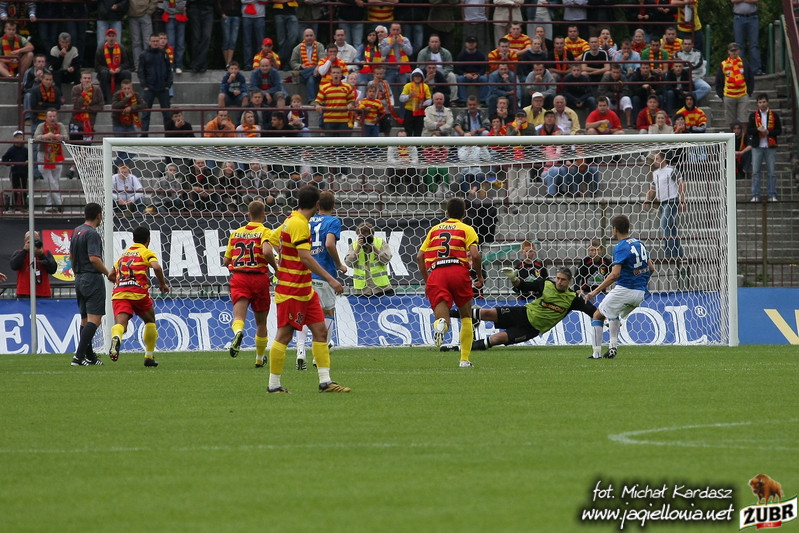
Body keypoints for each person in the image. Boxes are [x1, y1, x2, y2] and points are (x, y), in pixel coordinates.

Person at [265, 185, 350, 393]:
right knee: (284, 335)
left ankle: (325, 382)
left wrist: (280, 263)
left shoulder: (290, 221)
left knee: (320, 331)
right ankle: (273, 385)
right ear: (317, 204)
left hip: (306, 289)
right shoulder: (298, 223)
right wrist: (331, 279)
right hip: (292, 290)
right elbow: (305, 257)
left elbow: (268, 243)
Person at [442, 267, 596, 352]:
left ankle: (459, 348)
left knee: (496, 339)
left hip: (532, 329)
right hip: (523, 313)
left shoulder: (573, 299)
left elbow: (593, 312)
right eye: (558, 278)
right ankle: (449, 313)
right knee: (488, 313)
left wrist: (605, 320)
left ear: (569, 281)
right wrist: (513, 278)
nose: (559, 282)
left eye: (563, 280)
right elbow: (523, 286)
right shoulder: (545, 284)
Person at [417, 197, 484, 366]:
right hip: (457, 271)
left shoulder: (434, 230)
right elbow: (475, 255)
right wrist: (479, 276)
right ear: (464, 213)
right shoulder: (467, 229)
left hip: (437, 273)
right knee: (466, 317)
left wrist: (427, 281)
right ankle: (464, 360)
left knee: (442, 318)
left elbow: (420, 256)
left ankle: (440, 325)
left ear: (446, 213)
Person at [585, 214, 654, 359]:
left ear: (614, 229)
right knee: (613, 314)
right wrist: (641, 282)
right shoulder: (640, 244)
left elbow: (615, 275)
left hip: (625, 289)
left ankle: (596, 354)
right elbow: (651, 268)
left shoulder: (620, 247)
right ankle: (613, 347)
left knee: (597, 315)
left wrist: (594, 292)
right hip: (640, 293)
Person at [293, 191, 347, 369]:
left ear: (317, 205)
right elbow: (329, 243)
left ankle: (300, 350)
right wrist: (339, 264)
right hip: (324, 273)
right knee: (328, 312)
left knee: (303, 313)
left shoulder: (306, 220)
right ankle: (319, 356)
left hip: (305, 273)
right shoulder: (333, 221)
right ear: (333, 205)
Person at [224, 200, 278, 367]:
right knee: (261, 322)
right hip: (259, 278)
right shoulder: (265, 231)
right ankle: (259, 359)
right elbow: (267, 251)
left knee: (239, 316)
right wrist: (276, 269)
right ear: (264, 215)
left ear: (248, 214)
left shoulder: (236, 234)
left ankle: (239, 332)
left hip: (240, 277)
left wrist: (235, 265)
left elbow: (226, 260)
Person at [107, 225, 170, 367]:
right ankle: (149, 357)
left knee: (121, 325)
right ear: (148, 240)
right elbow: (156, 267)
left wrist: (121, 281)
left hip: (120, 293)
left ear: (133, 239)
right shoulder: (146, 252)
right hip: (138, 293)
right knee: (150, 320)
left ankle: (116, 337)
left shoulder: (124, 255)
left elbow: (111, 275)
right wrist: (162, 284)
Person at [70, 203, 113, 366]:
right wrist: (108, 273)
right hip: (92, 278)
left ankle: (90, 357)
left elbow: (71, 257)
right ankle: (78, 357)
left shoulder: (77, 231)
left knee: (85, 319)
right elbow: (94, 258)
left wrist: (77, 273)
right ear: (99, 216)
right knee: (95, 320)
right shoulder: (92, 233)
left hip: (79, 278)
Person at [644, 151, 686, 259]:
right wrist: (647, 200)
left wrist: (682, 200)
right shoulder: (655, 173)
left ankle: (669, 255)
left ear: (663, 159)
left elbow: (680, 183)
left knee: (664, 226)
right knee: (672, 229)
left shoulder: (671, 170)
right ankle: (679, 254)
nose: (655, 161)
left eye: (657, 159)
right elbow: (652, 189)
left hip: (671, 201)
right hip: (662, 202)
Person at [747, 93, 782, 202]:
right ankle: (755, 195)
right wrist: (757, 130)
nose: (762, 104)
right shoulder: (753, 116)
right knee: (755, 172)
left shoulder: (774, 115)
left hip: (770, 146)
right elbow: (749, 130)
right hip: (757, 146)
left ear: (768, 102)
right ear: (757, 104)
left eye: (764, 102)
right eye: (760, 102)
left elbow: (779, 131)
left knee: (771, 172)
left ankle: (772, 194)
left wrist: (768, 132)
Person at [345, 221, 394, 296]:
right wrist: (358, 247)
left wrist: (373, 247)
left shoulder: (380, 242)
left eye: (367, 236)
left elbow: (386, 259)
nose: (365, 239)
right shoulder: (354, 245)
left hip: (382, 288)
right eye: (362, 236)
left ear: (372, 234)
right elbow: (349, 263)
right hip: (363, 290)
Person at [33, 109, 67, 214]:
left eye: (54, 116)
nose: (52, 118)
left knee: (55, 180)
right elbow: (35, 137)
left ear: (56, 117)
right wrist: (44, 136)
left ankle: (49, 207)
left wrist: (61, 137)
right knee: (50, 181)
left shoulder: (60, 126)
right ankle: (59, 202)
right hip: (44, 154)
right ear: (46, 118)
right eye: (50, 116)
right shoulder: (41, 126)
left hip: (57, 154)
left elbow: (66, 137)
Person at [138, 33, 173, 135]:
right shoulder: (143, 55)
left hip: (163, 88)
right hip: (149, 88)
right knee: (145, 114)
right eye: (153, 41)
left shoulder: (164, 54)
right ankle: (144, 137)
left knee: (167, 115)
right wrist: (144, 86)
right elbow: (140, 71)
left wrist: (168, 85)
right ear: (149, 42)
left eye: (157, 41)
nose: (155, 43)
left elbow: (169, 70)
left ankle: (169, 137)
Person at [715, 42, 754, 129]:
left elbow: (750, 77)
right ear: (728, 52)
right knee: (730, 121)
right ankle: (732, 137)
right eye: (732, 51)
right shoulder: (723, 64)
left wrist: (749, 92)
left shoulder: (744, 62)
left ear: (739, 51)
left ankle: (743, 137)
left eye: (735, 50)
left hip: (742, 94)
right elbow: (718, 81)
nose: (734, 52)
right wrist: (721, 95)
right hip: (729, 95)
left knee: (744, 119)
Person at [10, 231, 57, 298]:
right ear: (25, 240)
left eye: (36, 239)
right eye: (30, 238)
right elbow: (14, 266)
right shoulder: (19, 253)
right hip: (24, 292)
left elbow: (53, 269)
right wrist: (25, 251)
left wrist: (42, 255)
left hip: (43, 292)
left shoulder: (45, 252)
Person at [416, 33, 458, 105]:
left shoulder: (446, 52)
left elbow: (449, 66)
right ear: (429, 43)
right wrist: (429, 72)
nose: (434, 44)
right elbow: (420, 66)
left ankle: (452, 100)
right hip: (428, 73)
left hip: (443, 73)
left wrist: (440, 74)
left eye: (436, 42)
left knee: (452, 76)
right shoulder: (423, 53)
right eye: (432, 42)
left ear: (439, 43)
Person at [95, 28, 133, 103]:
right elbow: (97, 66)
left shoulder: (121, 48)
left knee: (127, 73)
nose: (111, 38)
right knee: (104, 73)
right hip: (106, 74)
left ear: (116, 37)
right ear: (106, 37)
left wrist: (120, 68)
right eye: (109, 36)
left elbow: (126, 63)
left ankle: (127, 97)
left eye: (113, 36)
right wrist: (108, 70)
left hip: (118, 73)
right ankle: (103, 99)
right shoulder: (100, 49)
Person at [290, 29, 325, 104]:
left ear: (314, 37)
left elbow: (323, 59)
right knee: (310, 78)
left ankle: (302, 73)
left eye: (311, 35)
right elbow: (292, 62)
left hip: (318, 73)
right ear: (303, 37)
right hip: (303, 74)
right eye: (307, 36)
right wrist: (300, 66)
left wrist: (317, 67)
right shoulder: (297, 48)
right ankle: (311, 100)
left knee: (311, 76)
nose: (309, 38)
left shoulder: (319, 46)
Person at [674, 37, 711, 103]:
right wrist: (691, 67)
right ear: (682, 44)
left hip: (695, 78)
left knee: (707, 88)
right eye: (685, 44)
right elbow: (678, 68)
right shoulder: (678, 54)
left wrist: (685, 67)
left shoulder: (698, 53)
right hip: (682, 79)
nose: (687, 46)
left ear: (692, 45)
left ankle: (690, 98)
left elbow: (699, 67)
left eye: (689, 44)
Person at [732, 0, 763, 75]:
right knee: (739, 45)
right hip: (738, 17)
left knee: (754, 44)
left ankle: (756, 70)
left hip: (752, 17)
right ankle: (739, 69)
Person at [455, 35, 488, 105]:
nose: (471, 44)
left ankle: (483, 100)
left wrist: (478, 74)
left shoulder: (481, 55)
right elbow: (458, 69)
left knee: (484, 79)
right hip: (466, 76)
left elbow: (483, 68)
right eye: (469, 42)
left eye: (473, 42)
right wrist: (465, 74)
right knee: (459, 79)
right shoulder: (461, 55)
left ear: (476, 44)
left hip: (477, 76)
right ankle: (463, 101)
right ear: (466, 44)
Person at [399, 68, 431, 137]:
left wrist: (426, 103)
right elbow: (401, 98)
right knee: (408, 132)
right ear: (412, 77)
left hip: (420, 112)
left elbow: (429, 99)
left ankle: (417, 144)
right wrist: (409, 96)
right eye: (415, 76)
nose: (417, 78)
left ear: (422, 77)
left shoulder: (425, 86)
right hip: (409, 111)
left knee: (418, 132)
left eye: (419, 76)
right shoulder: (408, 86)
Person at [2, 130, 28, 211]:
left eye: (20, 137)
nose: (19, 139)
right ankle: (13, 206)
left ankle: (24, 206)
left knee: (24, 189)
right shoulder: (11, 150)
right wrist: (10, 163)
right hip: (15, 172)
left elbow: (30, 158)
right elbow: (4, 159)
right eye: (17, 137)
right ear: (13, 139)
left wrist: (27, 161)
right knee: (14, 189)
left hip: (24, 172)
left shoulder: (25, 150)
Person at [187, 0, 215, 73]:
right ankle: (200, 64)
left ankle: (197, 63)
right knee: (196, 37)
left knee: (206, 36)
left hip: (208, 8)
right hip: (194, 7)